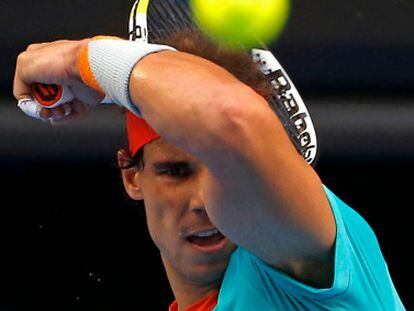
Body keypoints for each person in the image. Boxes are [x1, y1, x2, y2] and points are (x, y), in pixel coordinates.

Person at [13, 29, 405, 310]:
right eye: (176, 171)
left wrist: (86, 57)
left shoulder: (309, 246)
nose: (204, 201)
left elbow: (228, 117)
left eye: (222, 172)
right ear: (133, 175)